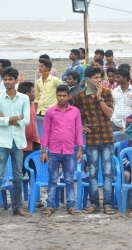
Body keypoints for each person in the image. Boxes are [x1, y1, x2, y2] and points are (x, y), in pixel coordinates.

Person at [0, 67, 31, 220]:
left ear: (16, 80)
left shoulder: (24, 98)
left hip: (18, 142)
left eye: (10, 79)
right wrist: (15, 118)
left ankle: (17, 208)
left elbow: (26, 120)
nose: (7, 82)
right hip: (3, 142)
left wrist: (7, 119)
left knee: (18, 176)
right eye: (5, 79)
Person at [73, 66, 115, 215]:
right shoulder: (80, 96)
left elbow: (109, 114)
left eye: (100, 78)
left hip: (107, 138)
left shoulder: (107, 93)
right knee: (92, 172)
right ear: (88, 79)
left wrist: (100, 99)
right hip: (91, 140)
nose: (99, 81)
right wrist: (82, 126)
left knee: (108, 173)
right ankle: (94, 203)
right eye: (96, 78)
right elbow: (73, 113)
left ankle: (108, 204)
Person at [41, 85, 83, 217]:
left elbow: (78, 131)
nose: (62, 98)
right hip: (53, 150)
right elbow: (46, 132)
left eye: (64, 96)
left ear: (69, 96)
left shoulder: (75, 111)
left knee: (69, 179)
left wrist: (80, 149)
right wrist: (43, 151)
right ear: (56, 96)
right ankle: (50, 205)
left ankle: (71, 205)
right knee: (52, 179)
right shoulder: (50, 112)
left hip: (70, 151)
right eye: (59, 95)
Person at [17, 82, 40, 179]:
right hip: (22, 146)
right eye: (33, 92)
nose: (35, 94)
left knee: (34, 174)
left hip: (34, 143)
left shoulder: (32, 105)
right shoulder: (18, 107)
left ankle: (34, 194)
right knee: (19, 174)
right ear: (27, 94)